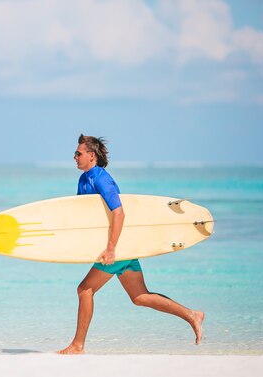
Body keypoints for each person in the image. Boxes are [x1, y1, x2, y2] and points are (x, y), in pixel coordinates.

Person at [57, 134, 204, 355]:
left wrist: (111, 248)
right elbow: (85, 218)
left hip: (117, 248)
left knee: (84, 290)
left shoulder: (101, 179)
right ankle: (192, 315)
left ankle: (78, 345)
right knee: (139, 297)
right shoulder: (83, 179)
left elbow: (119, 213)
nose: (74, 157)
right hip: (125, 247)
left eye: (78, 153)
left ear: (91, 155)